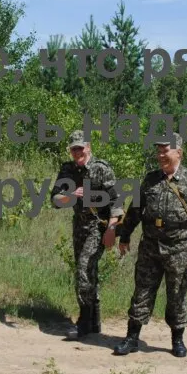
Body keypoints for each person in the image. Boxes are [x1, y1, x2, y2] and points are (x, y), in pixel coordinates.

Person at [113, 134, 187, 357]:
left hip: (179, 248)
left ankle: (177, 340)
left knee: (177, 295)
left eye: (165, 151)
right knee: (141, 291)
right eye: (158, 151)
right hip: (150, 247)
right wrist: (124, 237)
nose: (161, 155)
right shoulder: (150, 179)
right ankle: (132, 338)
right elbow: (135, 210)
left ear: (178, 153)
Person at [50, 130, 124, 340]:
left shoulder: (101, 169)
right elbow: (54, 200)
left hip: (99, 226)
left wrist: (111, 230)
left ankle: (83, 321)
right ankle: (95, 321)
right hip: (79, 226)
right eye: (73, 148)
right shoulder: (67, 170)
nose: (77, 152)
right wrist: (70, 197)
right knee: (86, 271)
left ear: (88, 147)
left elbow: (117, 201)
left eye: (80, 148)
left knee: (84, 267)